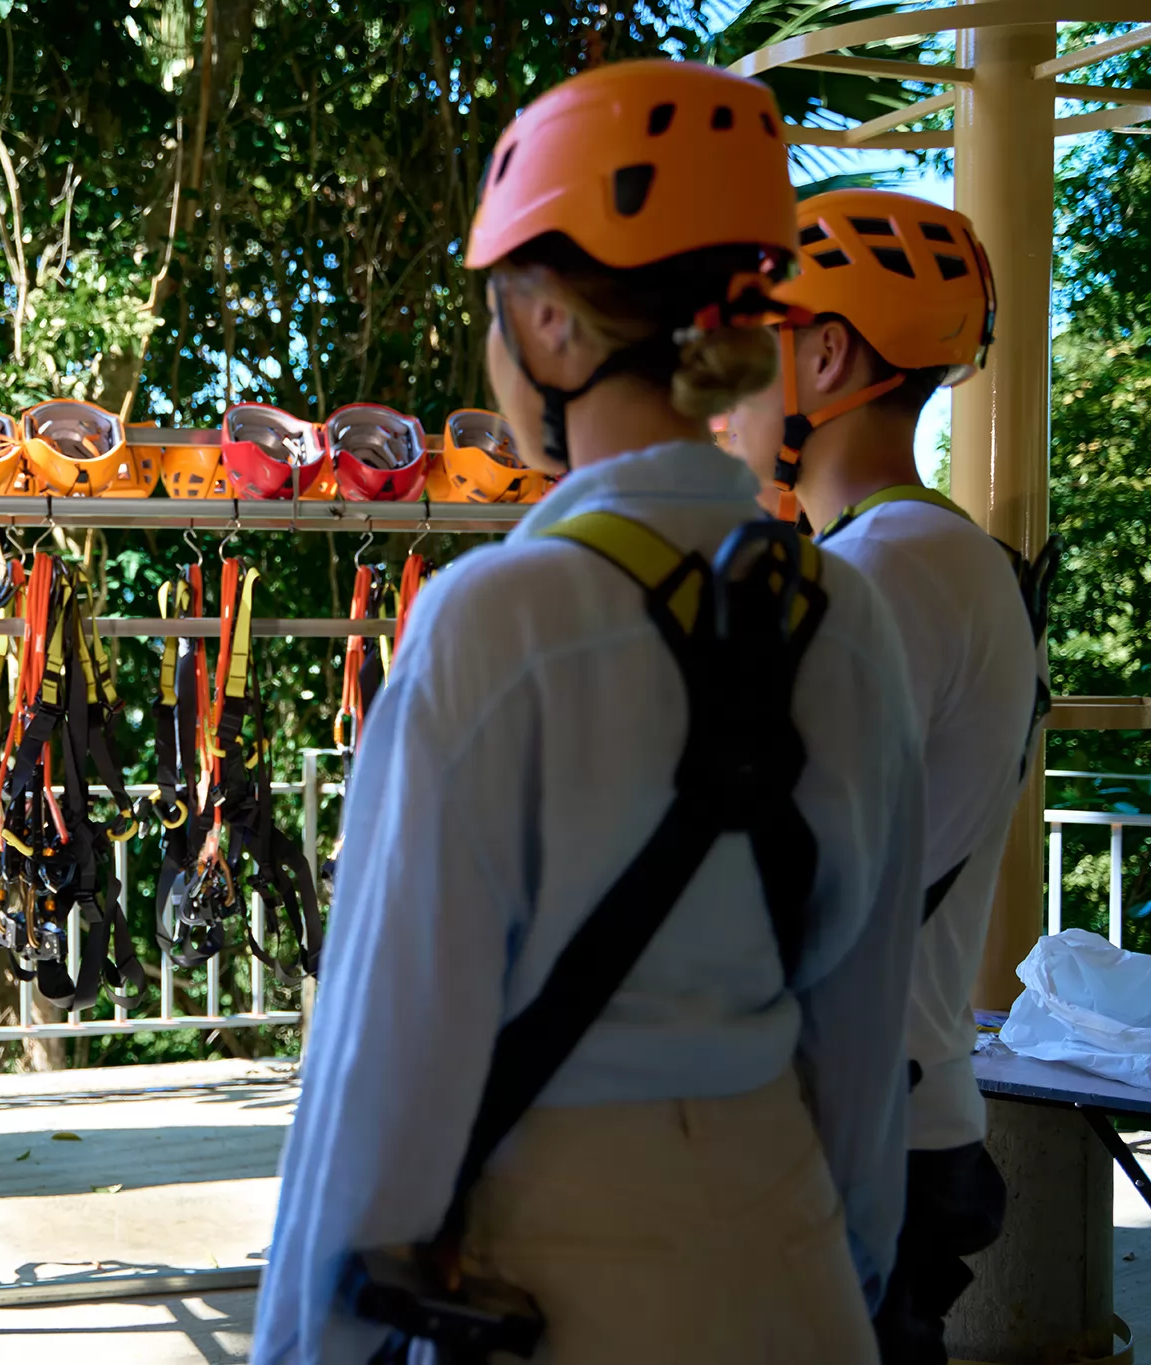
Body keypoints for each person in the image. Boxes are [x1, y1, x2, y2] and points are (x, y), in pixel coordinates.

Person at [253, 61, 925, 1364]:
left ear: (552, 326)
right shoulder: (848, 618)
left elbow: (386, 1072)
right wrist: (837, 1275)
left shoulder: (493, 625)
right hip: (795, 1276)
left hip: (550, 1287)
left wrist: (304, 1344)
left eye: (497, 309)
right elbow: (860, 1044)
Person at [726, 190, 1037, 1364]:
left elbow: (767, 863)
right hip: (886, 1113)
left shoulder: (886, 572)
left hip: (851, 1128)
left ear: (823, 354)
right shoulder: (918, 556)